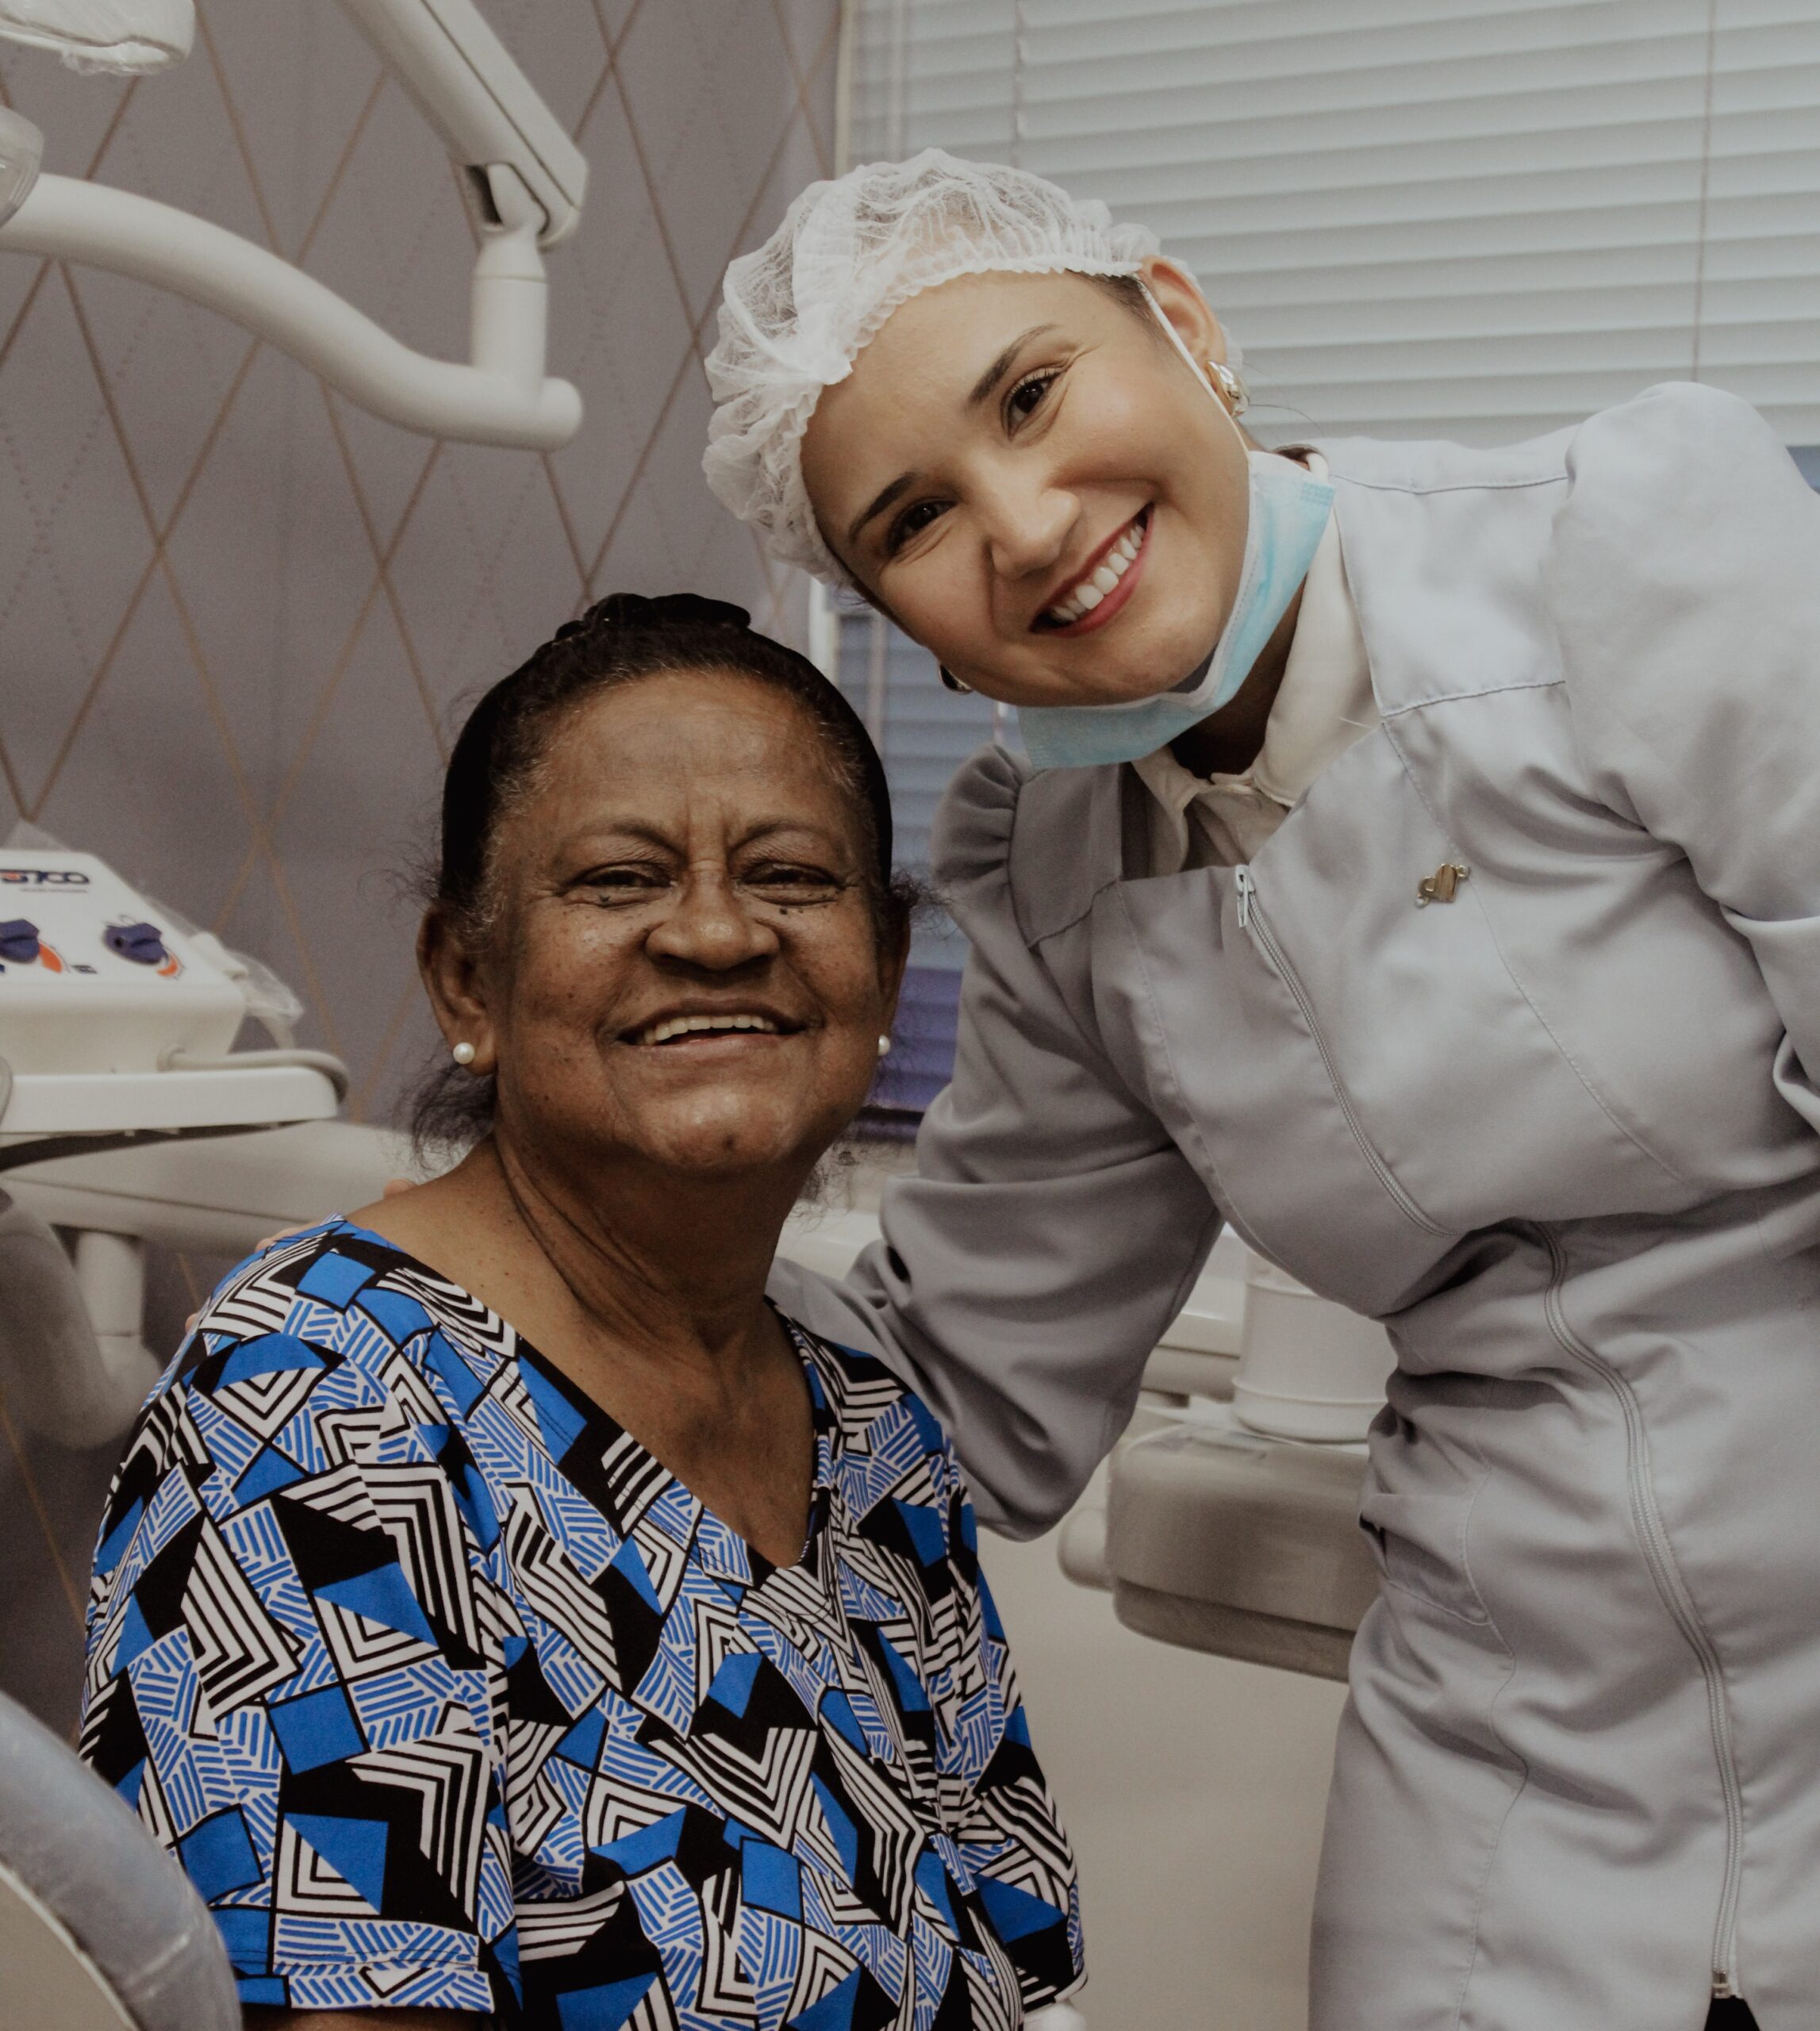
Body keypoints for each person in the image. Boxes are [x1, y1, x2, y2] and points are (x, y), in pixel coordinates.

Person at [701, 149, 1820, 2030]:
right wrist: (545, 1337)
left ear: (1188, 322)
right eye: (914, 516)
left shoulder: (1614, 545)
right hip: (1511, 1723)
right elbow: (966, 1384)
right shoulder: (1061, 868)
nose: (1030, 521)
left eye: (1034, 394)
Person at [79, 593, 1085, 2029]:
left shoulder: (869, 1439)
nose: (720, 932)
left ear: (884, 980)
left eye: (792, 875)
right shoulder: (322, 1406)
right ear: (467, 979)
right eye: (619, 880)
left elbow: (1019, 1986)